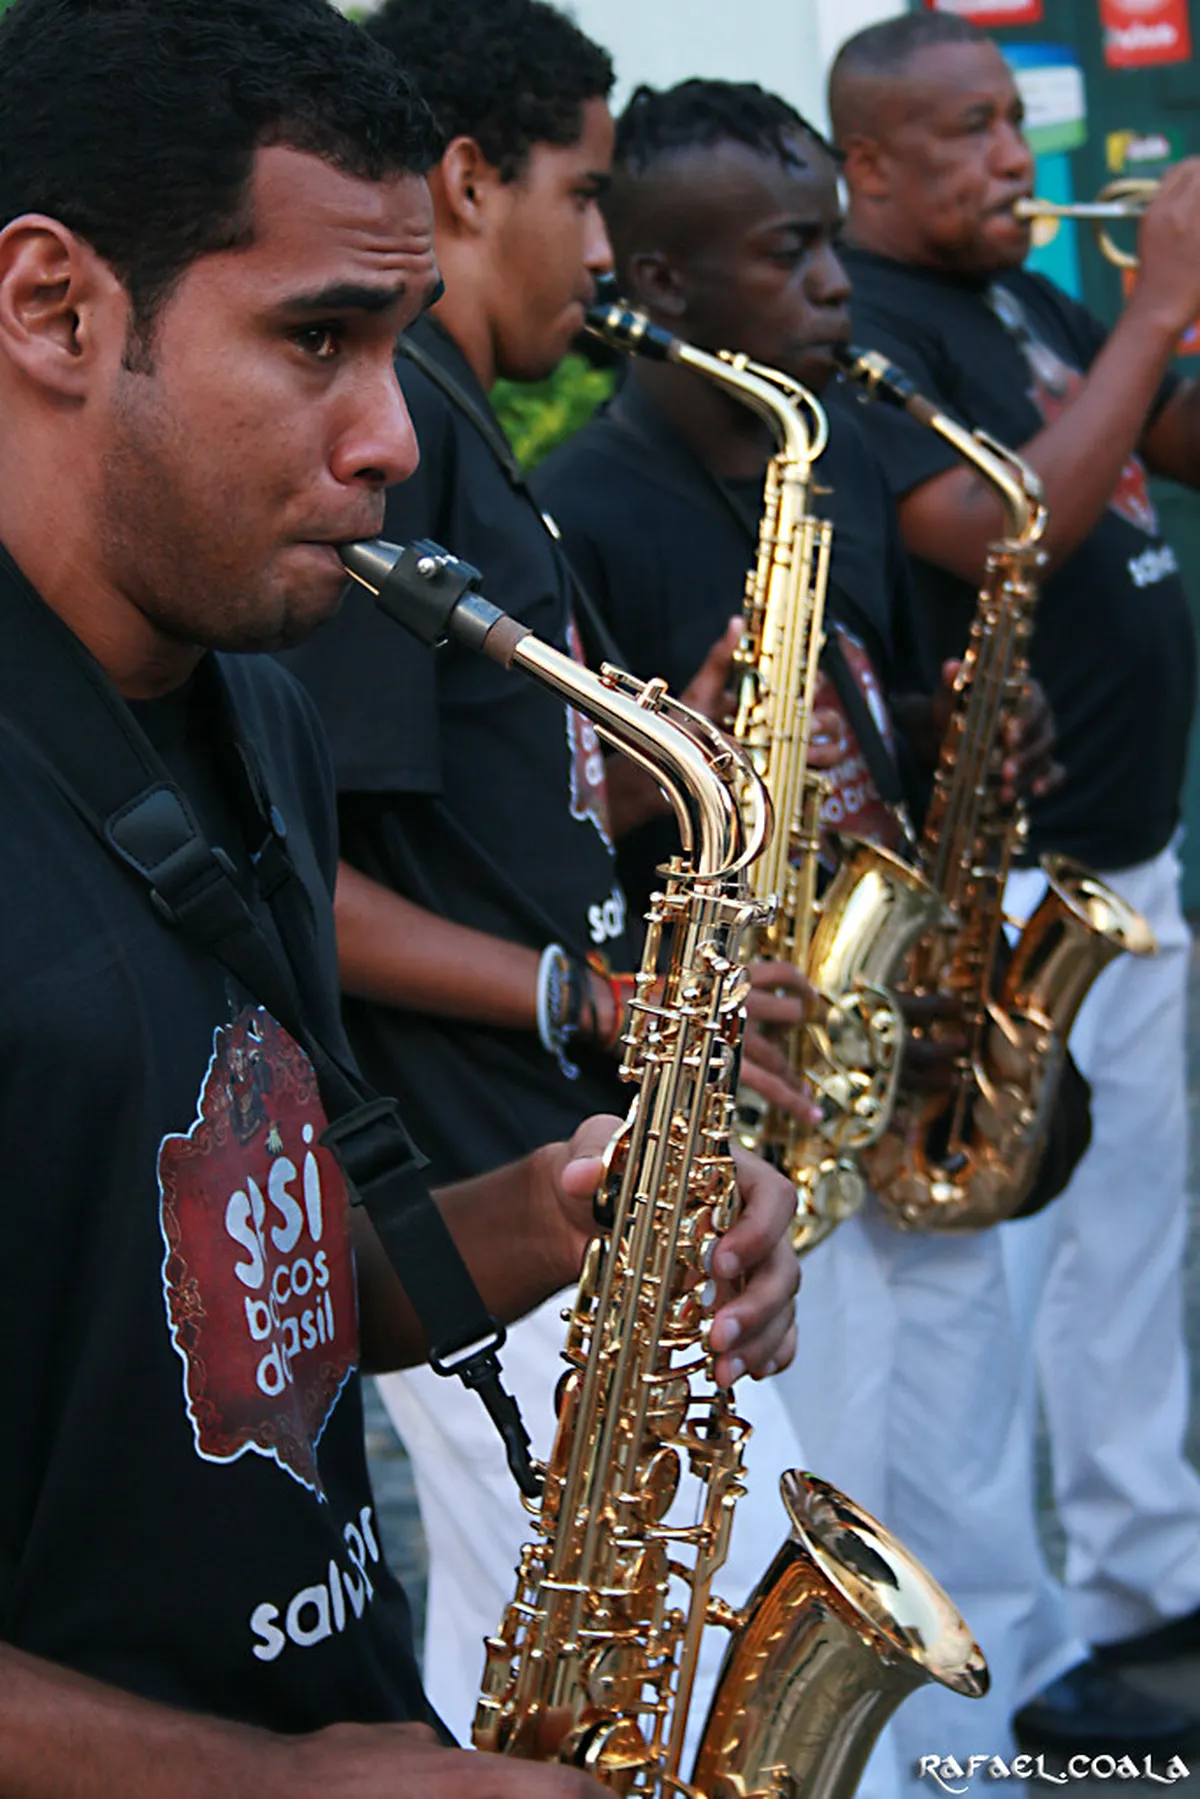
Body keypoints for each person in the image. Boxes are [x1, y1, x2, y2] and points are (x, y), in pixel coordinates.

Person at [0, 3, 802, 1795]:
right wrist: (287, 1782)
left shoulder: (259, 715)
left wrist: (578, 1201)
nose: (389, 441)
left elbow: (225, 1294)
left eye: (403, 342)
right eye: (316, 342)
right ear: (55, 306)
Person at [536, 74, 1195, 1780]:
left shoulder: (802, 459)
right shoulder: (595, 508)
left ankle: (994, 1687)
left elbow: (875, 684)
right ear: (663, 289)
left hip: (866, 1001)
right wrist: (654, 772)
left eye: (836, 247)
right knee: (807, 1436)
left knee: (956, 1380)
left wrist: (953, 731)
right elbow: (567, 795)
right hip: (723, 1044)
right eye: (795, 254)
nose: (835, 288)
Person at [278, 0, 811, 1757]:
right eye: (583, 195)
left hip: (560, 1152)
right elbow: (319, 879)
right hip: (484, 1170)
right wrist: (584, 993)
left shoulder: (465, 431)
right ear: (465, 177)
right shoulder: (399, 456)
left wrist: (677, 780)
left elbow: (465, 815)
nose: (604, 248)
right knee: (609, 1700)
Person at [828, 7, 1200, 1746]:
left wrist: (1166, 314)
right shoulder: (861, 327)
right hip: (1007, 898)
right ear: (868, 167)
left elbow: (1170, 441)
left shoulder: (1029, 300)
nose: (1012, 161)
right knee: (998, 1293)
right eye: (971, 131)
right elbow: (1001, 528)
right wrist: (1148, 309)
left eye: (1014, 126)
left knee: (1132, 1249)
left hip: (1125, 855)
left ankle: (1145, 1579)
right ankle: (1017, 1658)